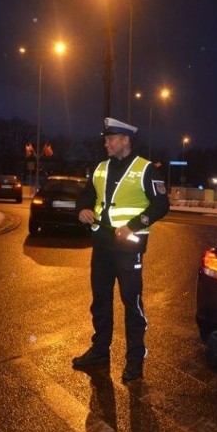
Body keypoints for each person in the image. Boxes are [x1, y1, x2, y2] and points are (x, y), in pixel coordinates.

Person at [72, 117, 170, 382]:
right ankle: (100, 351)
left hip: (128, 248)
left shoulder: (145, 169)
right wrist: (81, 209)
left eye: (111, 139)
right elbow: (87, 195)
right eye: (106, 139)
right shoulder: (100, 168)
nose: (106, 143)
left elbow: (161, 205)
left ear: (125, 140)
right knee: (100, 302)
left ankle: (135, 359)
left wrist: (134, 225)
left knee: (131, 303)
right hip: (102, 246)